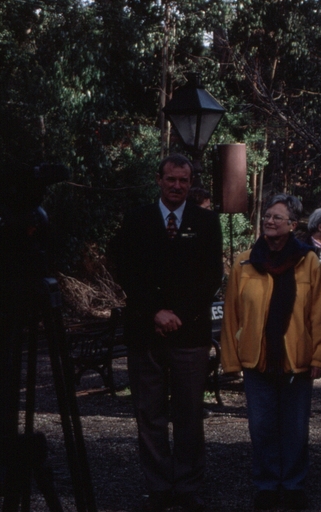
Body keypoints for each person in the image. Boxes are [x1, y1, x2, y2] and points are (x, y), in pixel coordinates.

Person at [116, 153, 223, 512]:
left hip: (189, 333)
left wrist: (178, 314)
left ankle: (189, 486)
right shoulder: (136, 220)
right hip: (146, 331)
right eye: (171, 179)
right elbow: (126, 272)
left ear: (191, 183)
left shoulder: (207, 222)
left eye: (184, 180)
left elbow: (211, 277)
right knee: (149, 413)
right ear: (158, 180)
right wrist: (154, 313)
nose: (177, 186)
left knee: (190, 413)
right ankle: (159, 487)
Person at [220, 194, 321, 511]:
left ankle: (294, 485)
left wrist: (320, 355)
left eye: (277, 218)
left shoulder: (308, 261)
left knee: (295, 428)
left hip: (297, 359)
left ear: (292, 225)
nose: (269, 221)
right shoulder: (244, 262)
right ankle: (267, 485)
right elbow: (232, 315)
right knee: (261, 426)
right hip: (257, 360)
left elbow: (320, 313)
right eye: (267, 216)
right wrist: (231, 359)